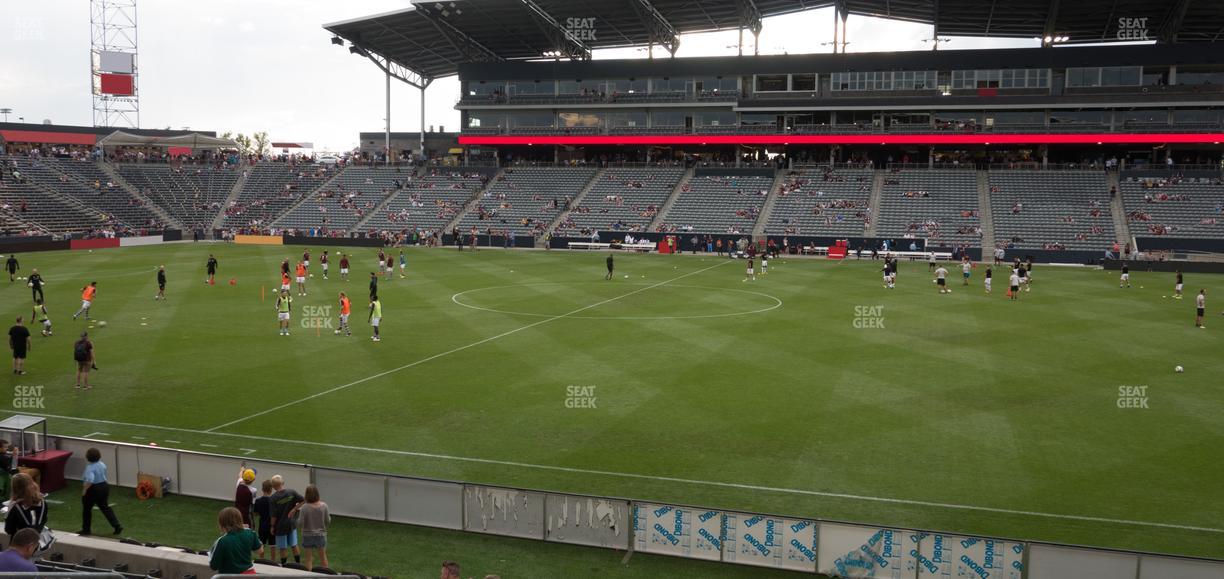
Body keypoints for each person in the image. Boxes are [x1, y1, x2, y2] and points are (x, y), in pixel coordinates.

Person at [79, 447, 122, 536]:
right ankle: (117, 525)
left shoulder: (89, 468)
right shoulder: (102, 464)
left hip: (93, 489)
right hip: (104, 486)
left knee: (87, 509)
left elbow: (90, 480)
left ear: (88, 457)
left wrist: (85, 489)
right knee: (105, 507)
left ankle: (86, 529)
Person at [209, 507, 263, 575]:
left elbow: (214, 566)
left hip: (229, 576)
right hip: (250, 575)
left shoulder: (222, 541)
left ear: (222, 523)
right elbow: (260, 551)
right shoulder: (250, 533)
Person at [268, 475, 304, 566]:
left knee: (283, 547)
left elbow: (273, 515)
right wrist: (295, 509)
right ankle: (298, 564)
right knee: (294, 545)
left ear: (273, 486)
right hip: (291, 524)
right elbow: (304, 500)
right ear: (283, 483)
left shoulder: (273, 498)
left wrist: (272, 526)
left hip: (280, 526)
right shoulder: (291, 492)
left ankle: (284, 566)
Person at [298, 484, 331, 570]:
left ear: (306, 495)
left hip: (307, 535)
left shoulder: (304, 508)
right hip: (321, 535)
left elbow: (300, 523)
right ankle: (326, 575)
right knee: (323, 557)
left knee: (308, 558)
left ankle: (309, 575)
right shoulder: (324, 506)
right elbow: (328, 521)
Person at [4, 473, 45, 538]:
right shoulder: (42, 502)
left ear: (15, 488)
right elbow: (43, 520)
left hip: (19, 541)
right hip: (36, 540)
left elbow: (8, 529)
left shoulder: (14, 507)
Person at [252, 480, 275, 550]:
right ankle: (273, 558)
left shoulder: (258, 500)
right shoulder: (274, 500)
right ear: (271, 489)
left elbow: (255, 514)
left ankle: (261, 557)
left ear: (262, 489)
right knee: (273, 545)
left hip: (262, 526)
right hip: (272, 526)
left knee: (261, 545)